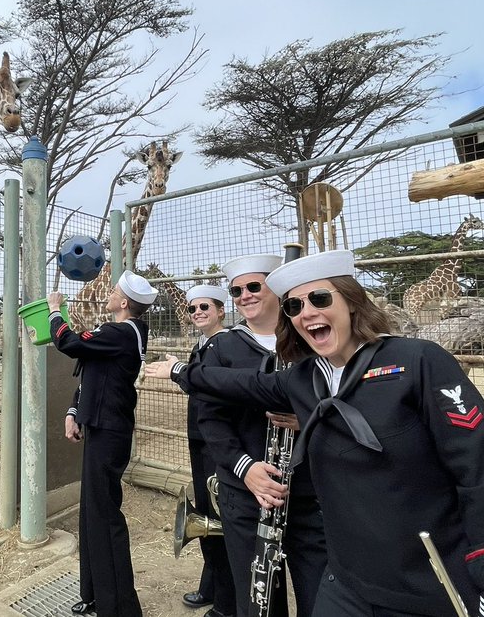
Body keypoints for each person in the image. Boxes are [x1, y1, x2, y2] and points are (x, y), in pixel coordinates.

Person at [162, 249, 484, 617]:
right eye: (294, 306)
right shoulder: (305, 380)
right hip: (346, 582)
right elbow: (237, 384)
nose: (307, 311)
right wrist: (180, 370)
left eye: (320, 298)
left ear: (351, 302)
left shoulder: (418, 362)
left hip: (427, 583)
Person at [151, 253, 327, 617]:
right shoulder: (222, 346)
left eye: (253, 286)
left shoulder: (311, 339)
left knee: (321, 592)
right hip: (247, 490)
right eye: (236, 290)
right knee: (257, 600)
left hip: (310, 491)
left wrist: (309, 417)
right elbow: (211, 420)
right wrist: (247, 469)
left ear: (276, 289)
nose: (244, 295)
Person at [48, 271, 157, 617]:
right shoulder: (120, 335)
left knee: (104, 515)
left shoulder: (120, 332)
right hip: (100, 426)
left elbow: (69, 343)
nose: (108, 294)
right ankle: (95, 594)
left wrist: (55, 311)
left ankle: (121, 607)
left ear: (124, 303)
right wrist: (73, 411)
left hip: (108, 432)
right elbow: (91, 371)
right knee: (92, 512)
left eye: (113, 292)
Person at [169, 284, 237, 616]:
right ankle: (211, 584)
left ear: (221, 311)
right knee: (208, 516)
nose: (198, 313)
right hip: (199, 438)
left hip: (214, 442)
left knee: (217, 518)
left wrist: (180, 372)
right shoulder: (202, 345)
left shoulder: (225, 344)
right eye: (193, 309)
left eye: (204, 308)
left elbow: (211, 384)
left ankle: (226, 601)